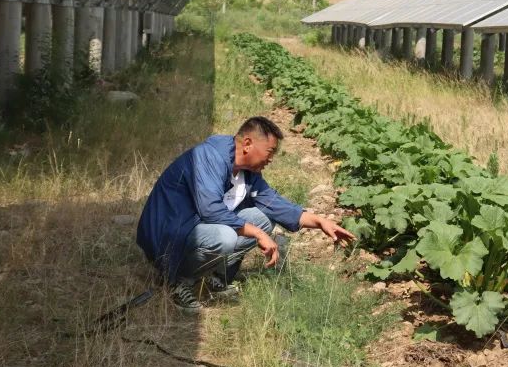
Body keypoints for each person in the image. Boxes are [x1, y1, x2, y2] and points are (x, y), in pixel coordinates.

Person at [137, 116, 354, 311]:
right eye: (270, 152)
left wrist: (321, 222)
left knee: (264, 219)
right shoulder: (209, 156)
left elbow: (277, 205)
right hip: (168, 237)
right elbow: (210, 209)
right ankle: (178, 281)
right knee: (227, 236)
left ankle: (212, 276)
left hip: (195, 229)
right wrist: (257, 234)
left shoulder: (247, 174)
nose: (271, 159)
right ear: (248, 144)